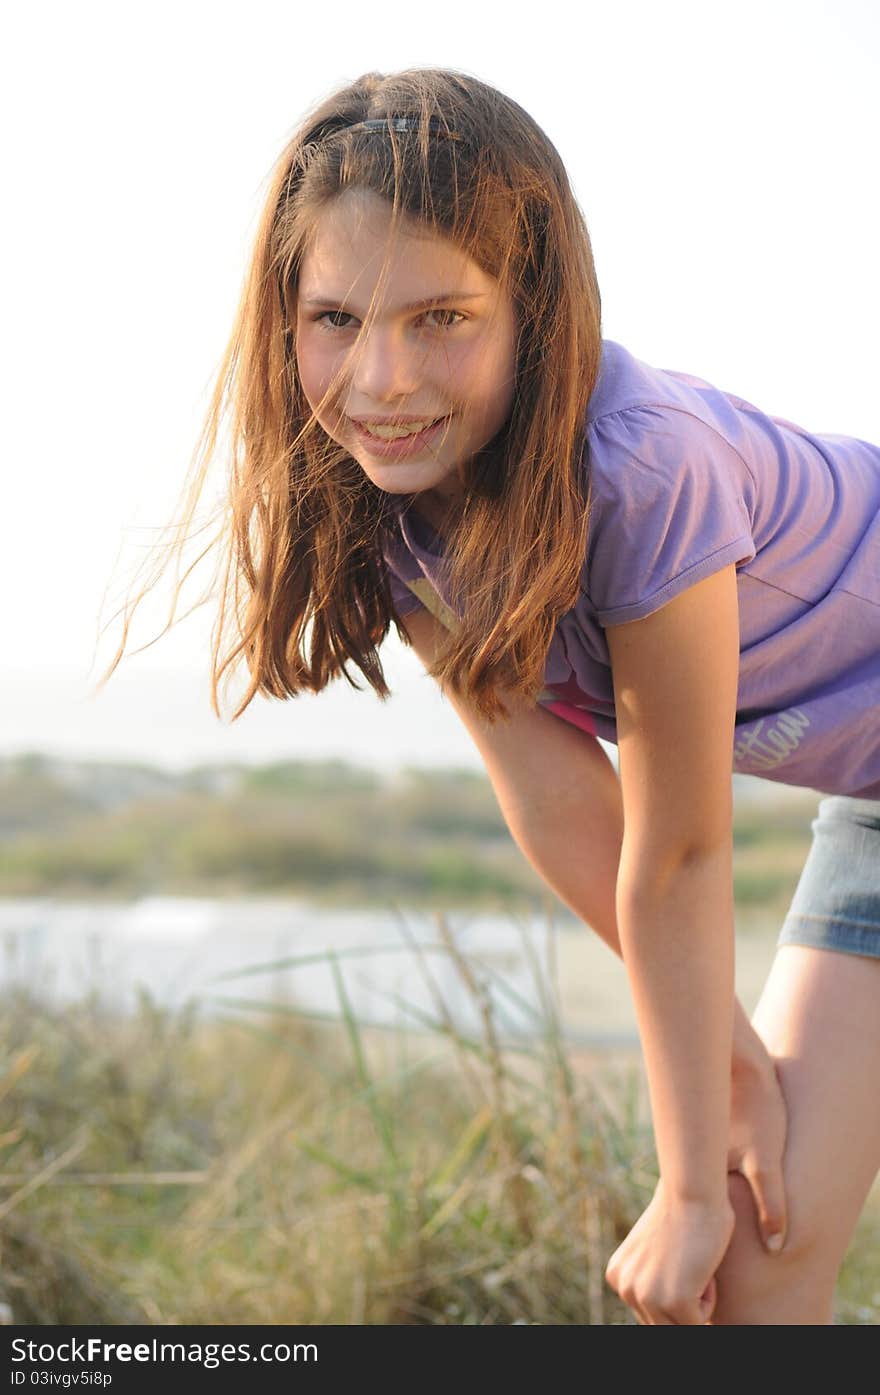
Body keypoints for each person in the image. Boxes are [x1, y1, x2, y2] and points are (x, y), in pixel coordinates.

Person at [97, 67, 880, 1325]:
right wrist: (726, 1062)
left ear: (536, 309)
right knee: (752, 1278)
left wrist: (680, 1183)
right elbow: (569, 805)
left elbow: (677, 848)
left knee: (711, 1227)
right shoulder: (397, 509)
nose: (382, 379)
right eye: (335, 318)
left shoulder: (643, 471)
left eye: (441, 319)